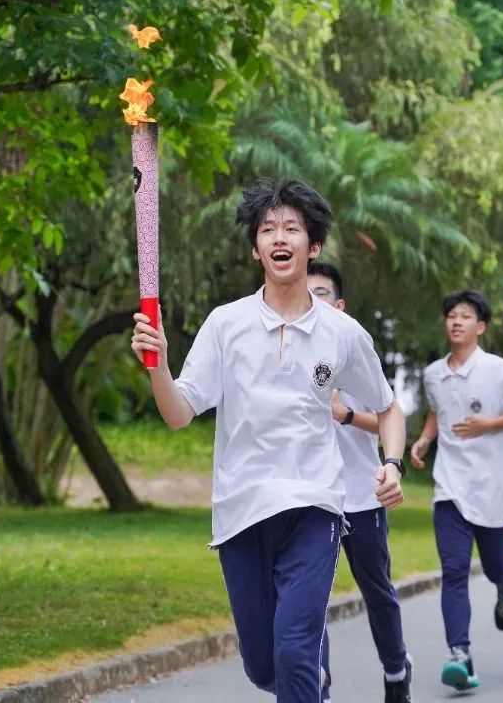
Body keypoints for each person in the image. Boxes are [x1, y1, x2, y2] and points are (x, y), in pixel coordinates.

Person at [130, 179, 408, 703]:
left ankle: (306, 684)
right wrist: (160, 363)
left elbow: (387, 407)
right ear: (256, 247)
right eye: (268, 229)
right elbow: (178, 412)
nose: (280, 237)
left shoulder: (342, 333)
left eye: (292, 229)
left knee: (296, 649)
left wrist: (392, 464)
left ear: (314, 245)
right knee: (263, 664)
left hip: (315, 506)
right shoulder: (226, 324)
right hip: (241, 509)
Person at [409, 290, 503, 692]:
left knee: (496, 566)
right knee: (454, 571)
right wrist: (425, 441)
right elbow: (436, 410)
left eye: (465, 316)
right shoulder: (433, 373)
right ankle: (459, 654)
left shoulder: (498, 370)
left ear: (480, 326)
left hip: (492, 488)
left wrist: (488, 425)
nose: (456, 322)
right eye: (451, 316)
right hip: (450, 487)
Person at [306, 261, 412, 703]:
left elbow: (390, 413)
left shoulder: (351, 350)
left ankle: (395, 668)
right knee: (309, 599)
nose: (313, 299)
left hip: (361, 496)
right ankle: (319, 683)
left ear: (341, 304)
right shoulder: (285, 348)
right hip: (311, 499)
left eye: (322, 292)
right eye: (305, 291)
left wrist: (346, 414)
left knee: (377, 590)